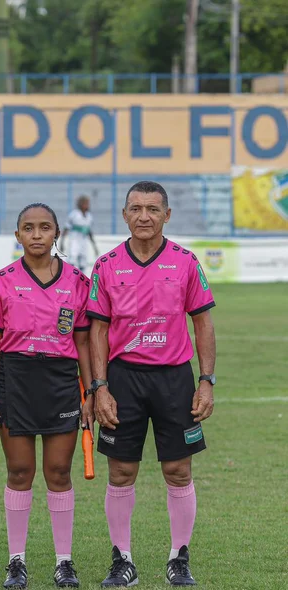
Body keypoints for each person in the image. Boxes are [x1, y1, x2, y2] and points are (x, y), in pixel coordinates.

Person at [87, 181, 215, 588]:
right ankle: (122, 559)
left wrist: (206, 381)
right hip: (122, 379)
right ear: (124, 215)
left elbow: (203, 324)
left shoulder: (185, 262)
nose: (144, 216)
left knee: (178, 469)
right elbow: (98, 331)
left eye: (153, 209)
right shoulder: (106, 265)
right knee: (121, 470)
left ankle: (179, 557)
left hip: (175, 378)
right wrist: (100, 386)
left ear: (167, 215)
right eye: (136, 209)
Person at [0, 203, 94, 589]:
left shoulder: (78, 281)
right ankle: (17, 561)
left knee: (59, 472)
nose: (36, 234)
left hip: (61, 380)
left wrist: (91, 391)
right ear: (17, 236)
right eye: (28, 228)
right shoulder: (3, 279)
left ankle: (64, 561)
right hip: (16, 378)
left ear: (57, 233)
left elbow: (82, 342)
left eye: (44, 227)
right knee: (19, 472)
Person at [60, 196, 97, 272]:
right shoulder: (74, 215)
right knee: (72, 259)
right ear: (81, 204)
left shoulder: (89, 216)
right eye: (86, 203)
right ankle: (69, 278)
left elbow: (89, 232)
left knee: (83, 262)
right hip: (74, 241)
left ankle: (82, 279)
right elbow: (66, 228)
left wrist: (94, 246)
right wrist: (62, 242)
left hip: (84, 241)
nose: (87, 205)